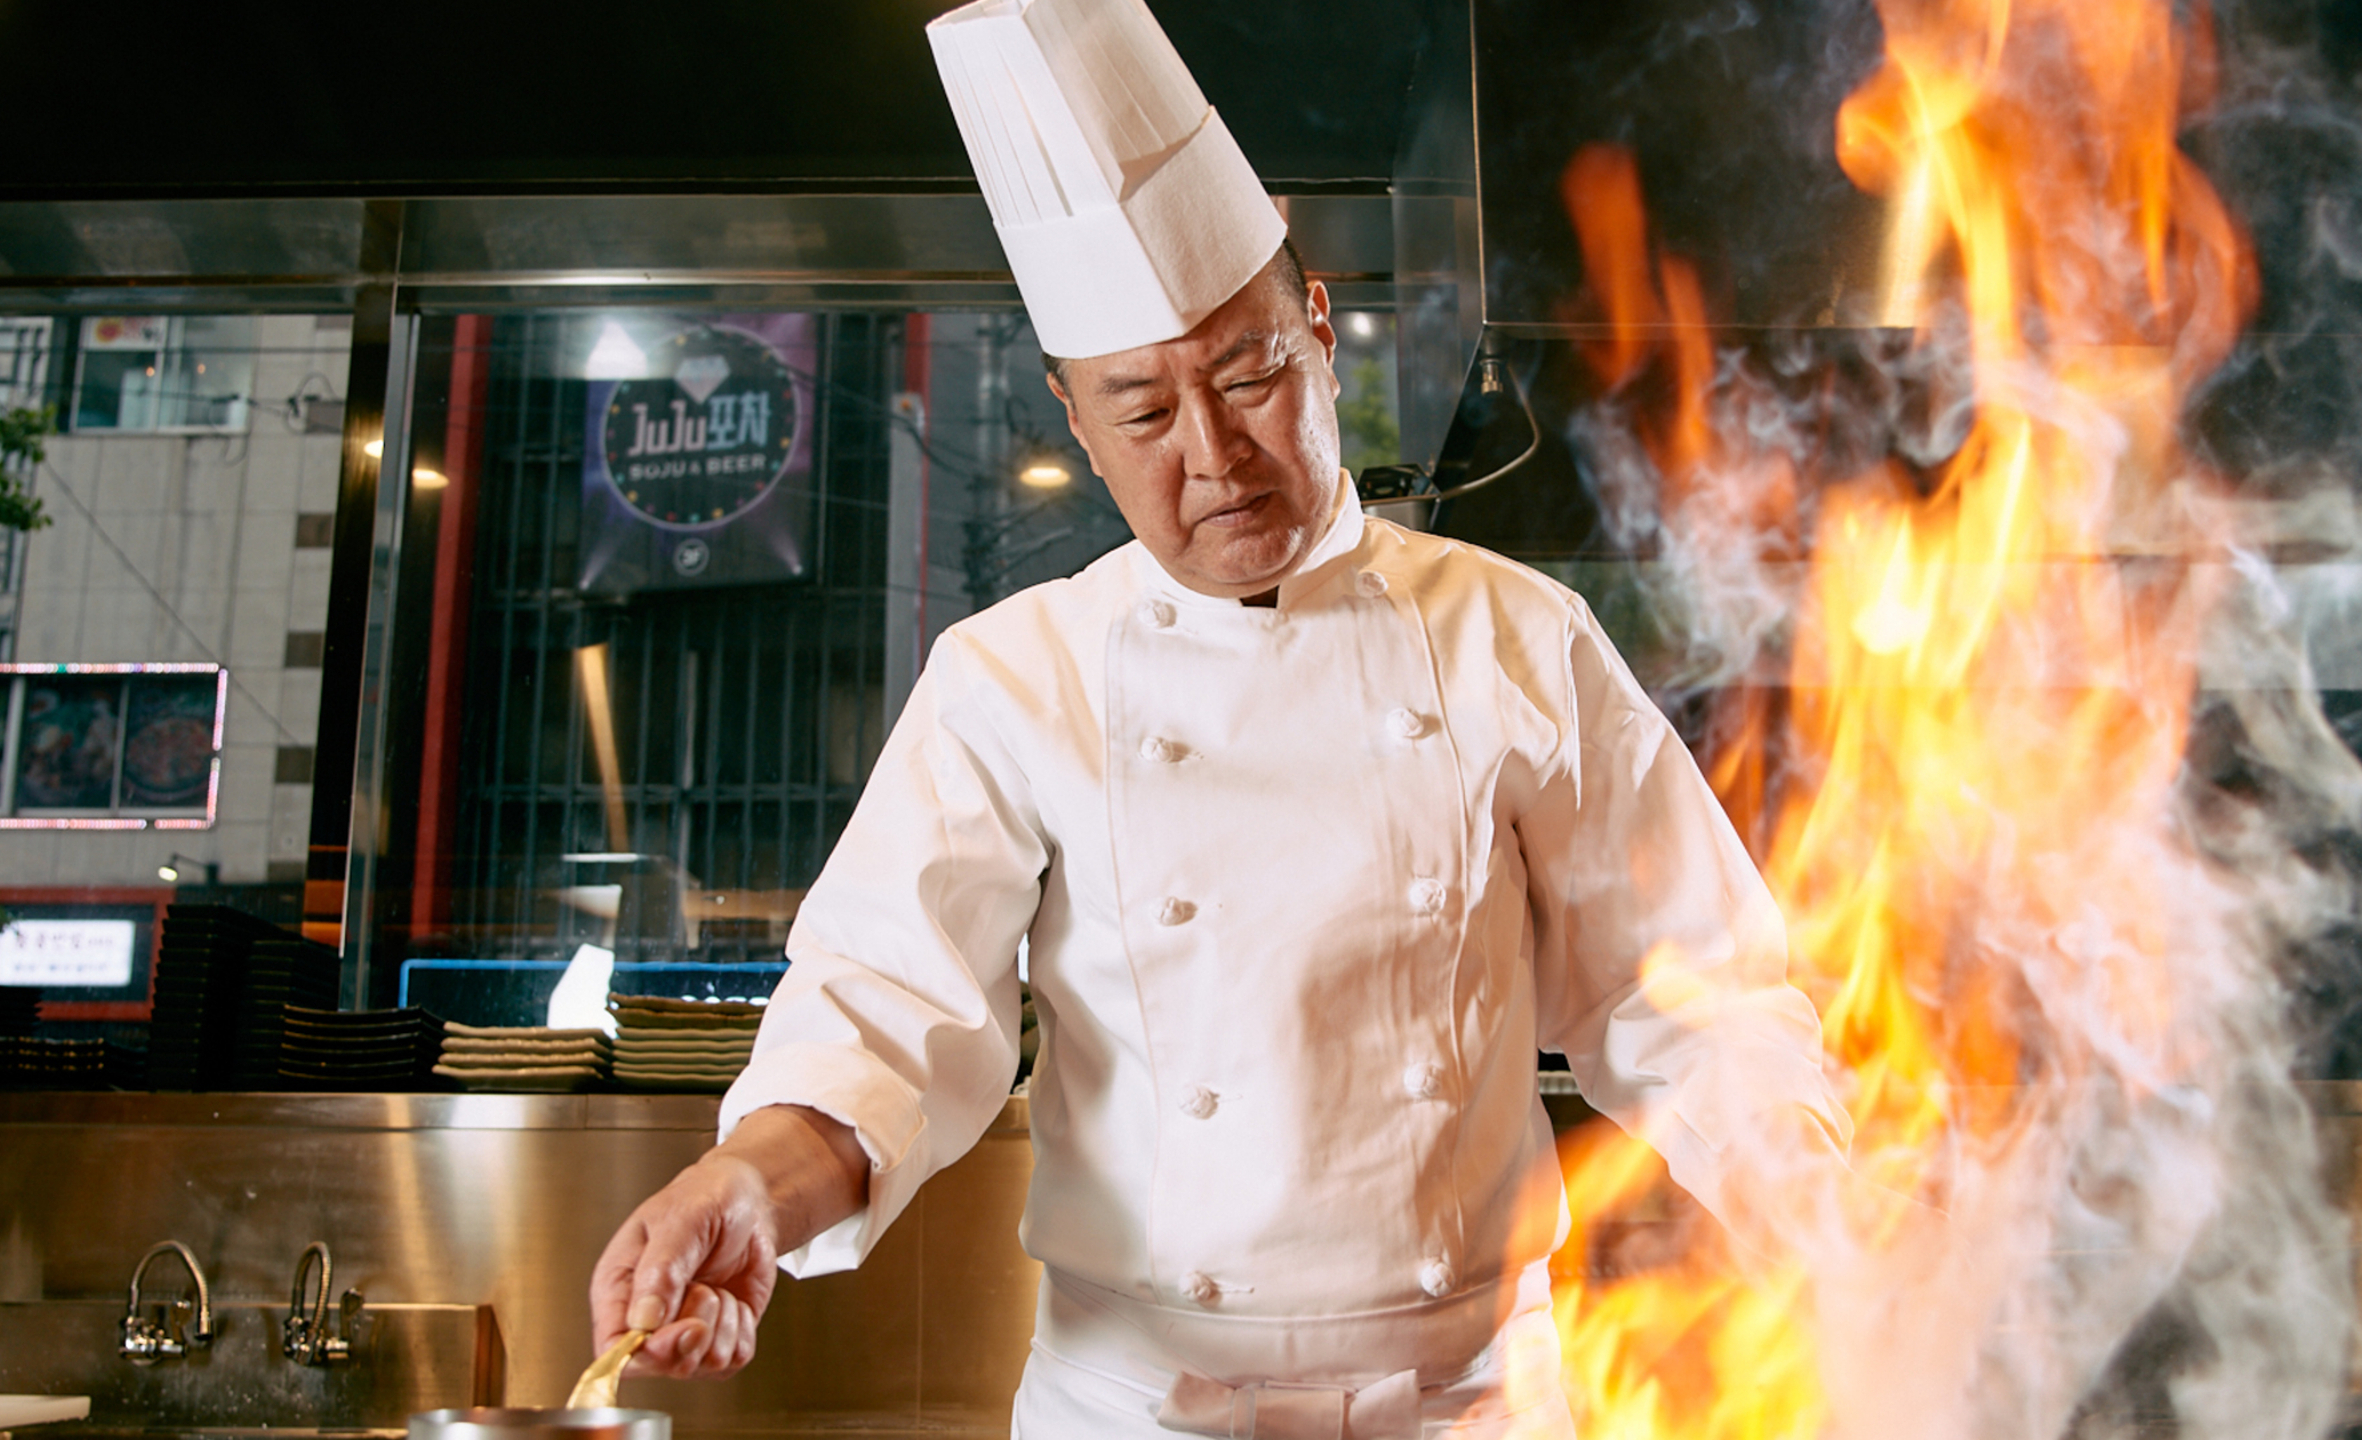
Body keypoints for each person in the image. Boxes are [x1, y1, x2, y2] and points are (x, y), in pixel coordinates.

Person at [591, 0, 1853, 1433]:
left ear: (1318, 335)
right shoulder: (1015, 678)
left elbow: (1688, 992)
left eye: (1249, 375)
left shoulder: (1517, 636)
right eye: (1143, 413)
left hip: (1471, 1404)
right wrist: (744, 1184)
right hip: (1142, 1408)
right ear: (1076, 421)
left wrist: (1817, 1195)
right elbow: (881, 1027)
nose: (1213, 455)